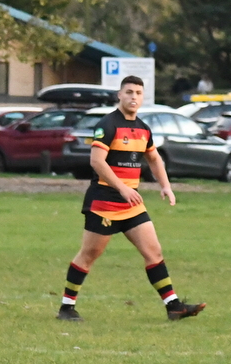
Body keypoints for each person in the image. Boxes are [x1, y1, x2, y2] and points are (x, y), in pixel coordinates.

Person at [56, 76, 205, 322]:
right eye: (129, 92)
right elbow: (96, 161)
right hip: (104, 202)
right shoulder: (108, 124)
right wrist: (123, 188)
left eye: (138, 93)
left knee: (153, 252)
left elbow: (154, 158)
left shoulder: (143, 128)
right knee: (89, 254)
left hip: (131, 205)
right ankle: (66, 307)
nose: (133, 97)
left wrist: (166, 186)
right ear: (120, 95)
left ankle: (174, 306)